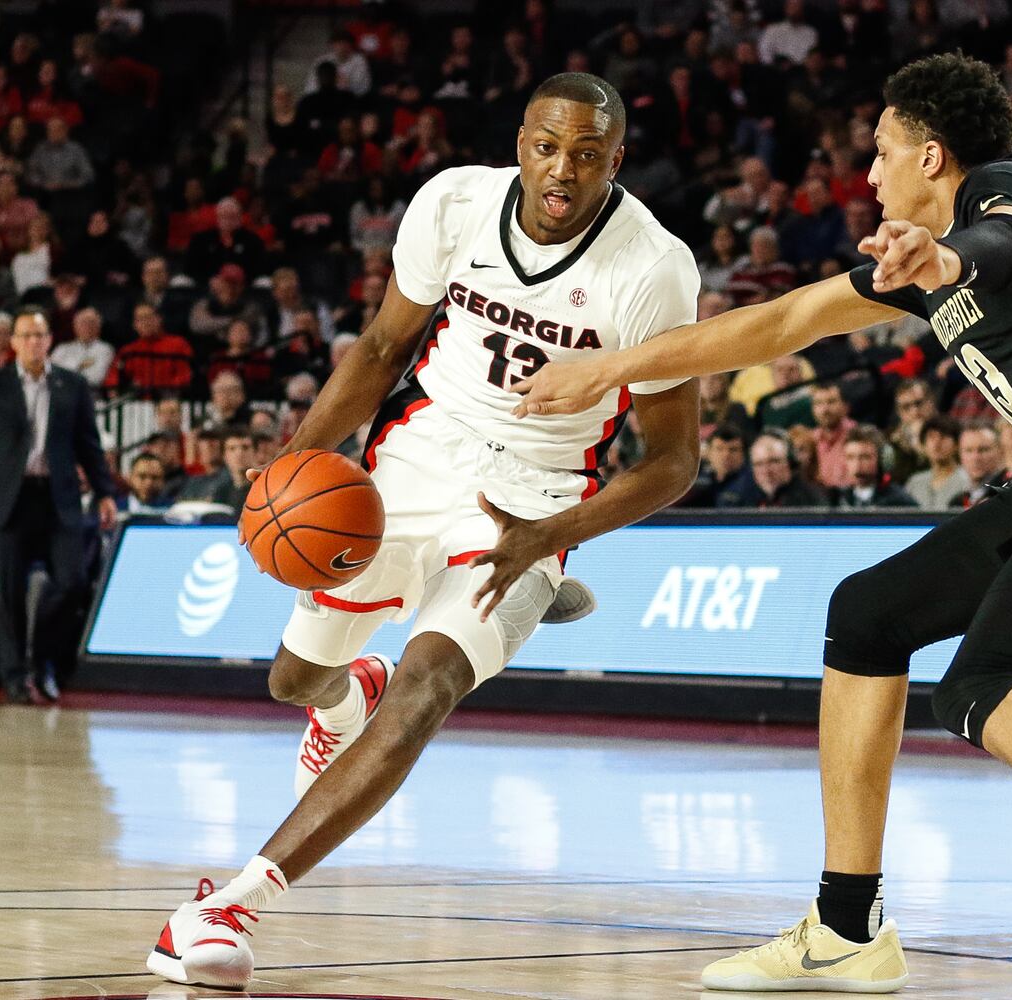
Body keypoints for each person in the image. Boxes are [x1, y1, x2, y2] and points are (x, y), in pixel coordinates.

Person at [514, 53, 1012, 987]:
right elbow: (779, 324)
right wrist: (604, 370)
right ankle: (846, 926)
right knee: (868, 613)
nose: (868, 174)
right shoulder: (910, 265)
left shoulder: (1008, 193)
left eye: (881, 153)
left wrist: (948, 255)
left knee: (982, 687)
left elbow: (1008, 246)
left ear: (931, 155)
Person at [144, 74, 703, 991]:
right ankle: (340, 698)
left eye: (589, 155)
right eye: (547, 146)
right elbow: (375, 352)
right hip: (413, 461)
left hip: (534, 495)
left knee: (430, 682)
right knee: (292, 680)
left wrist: (550, 534)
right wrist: (297, 459)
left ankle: (228, 905)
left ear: (617, 159)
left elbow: (671, 463)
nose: (563, 171)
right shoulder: (454, 201)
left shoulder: (653, 267)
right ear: (520, 139)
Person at [0, 309, 118, 705]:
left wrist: (104, 491)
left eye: (40, 335)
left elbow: (89, 445)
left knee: (72, 582)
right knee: (10, 592)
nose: (33, 342)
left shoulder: (73, 385)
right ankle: (13, 676)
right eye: (26, 335)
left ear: (50, 341)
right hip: (10, 498)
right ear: (13, 342)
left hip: (58, 497)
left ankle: (42, 664)